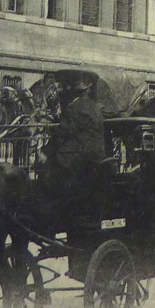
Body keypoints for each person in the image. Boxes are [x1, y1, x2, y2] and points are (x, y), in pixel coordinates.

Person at [36, 74, 106, 215]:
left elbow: (62, 133)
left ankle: (51, 211)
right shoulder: (95, 107)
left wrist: (45, 152)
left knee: (46, 168)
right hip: (96, 156)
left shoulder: (75, 108)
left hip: (78, 158)